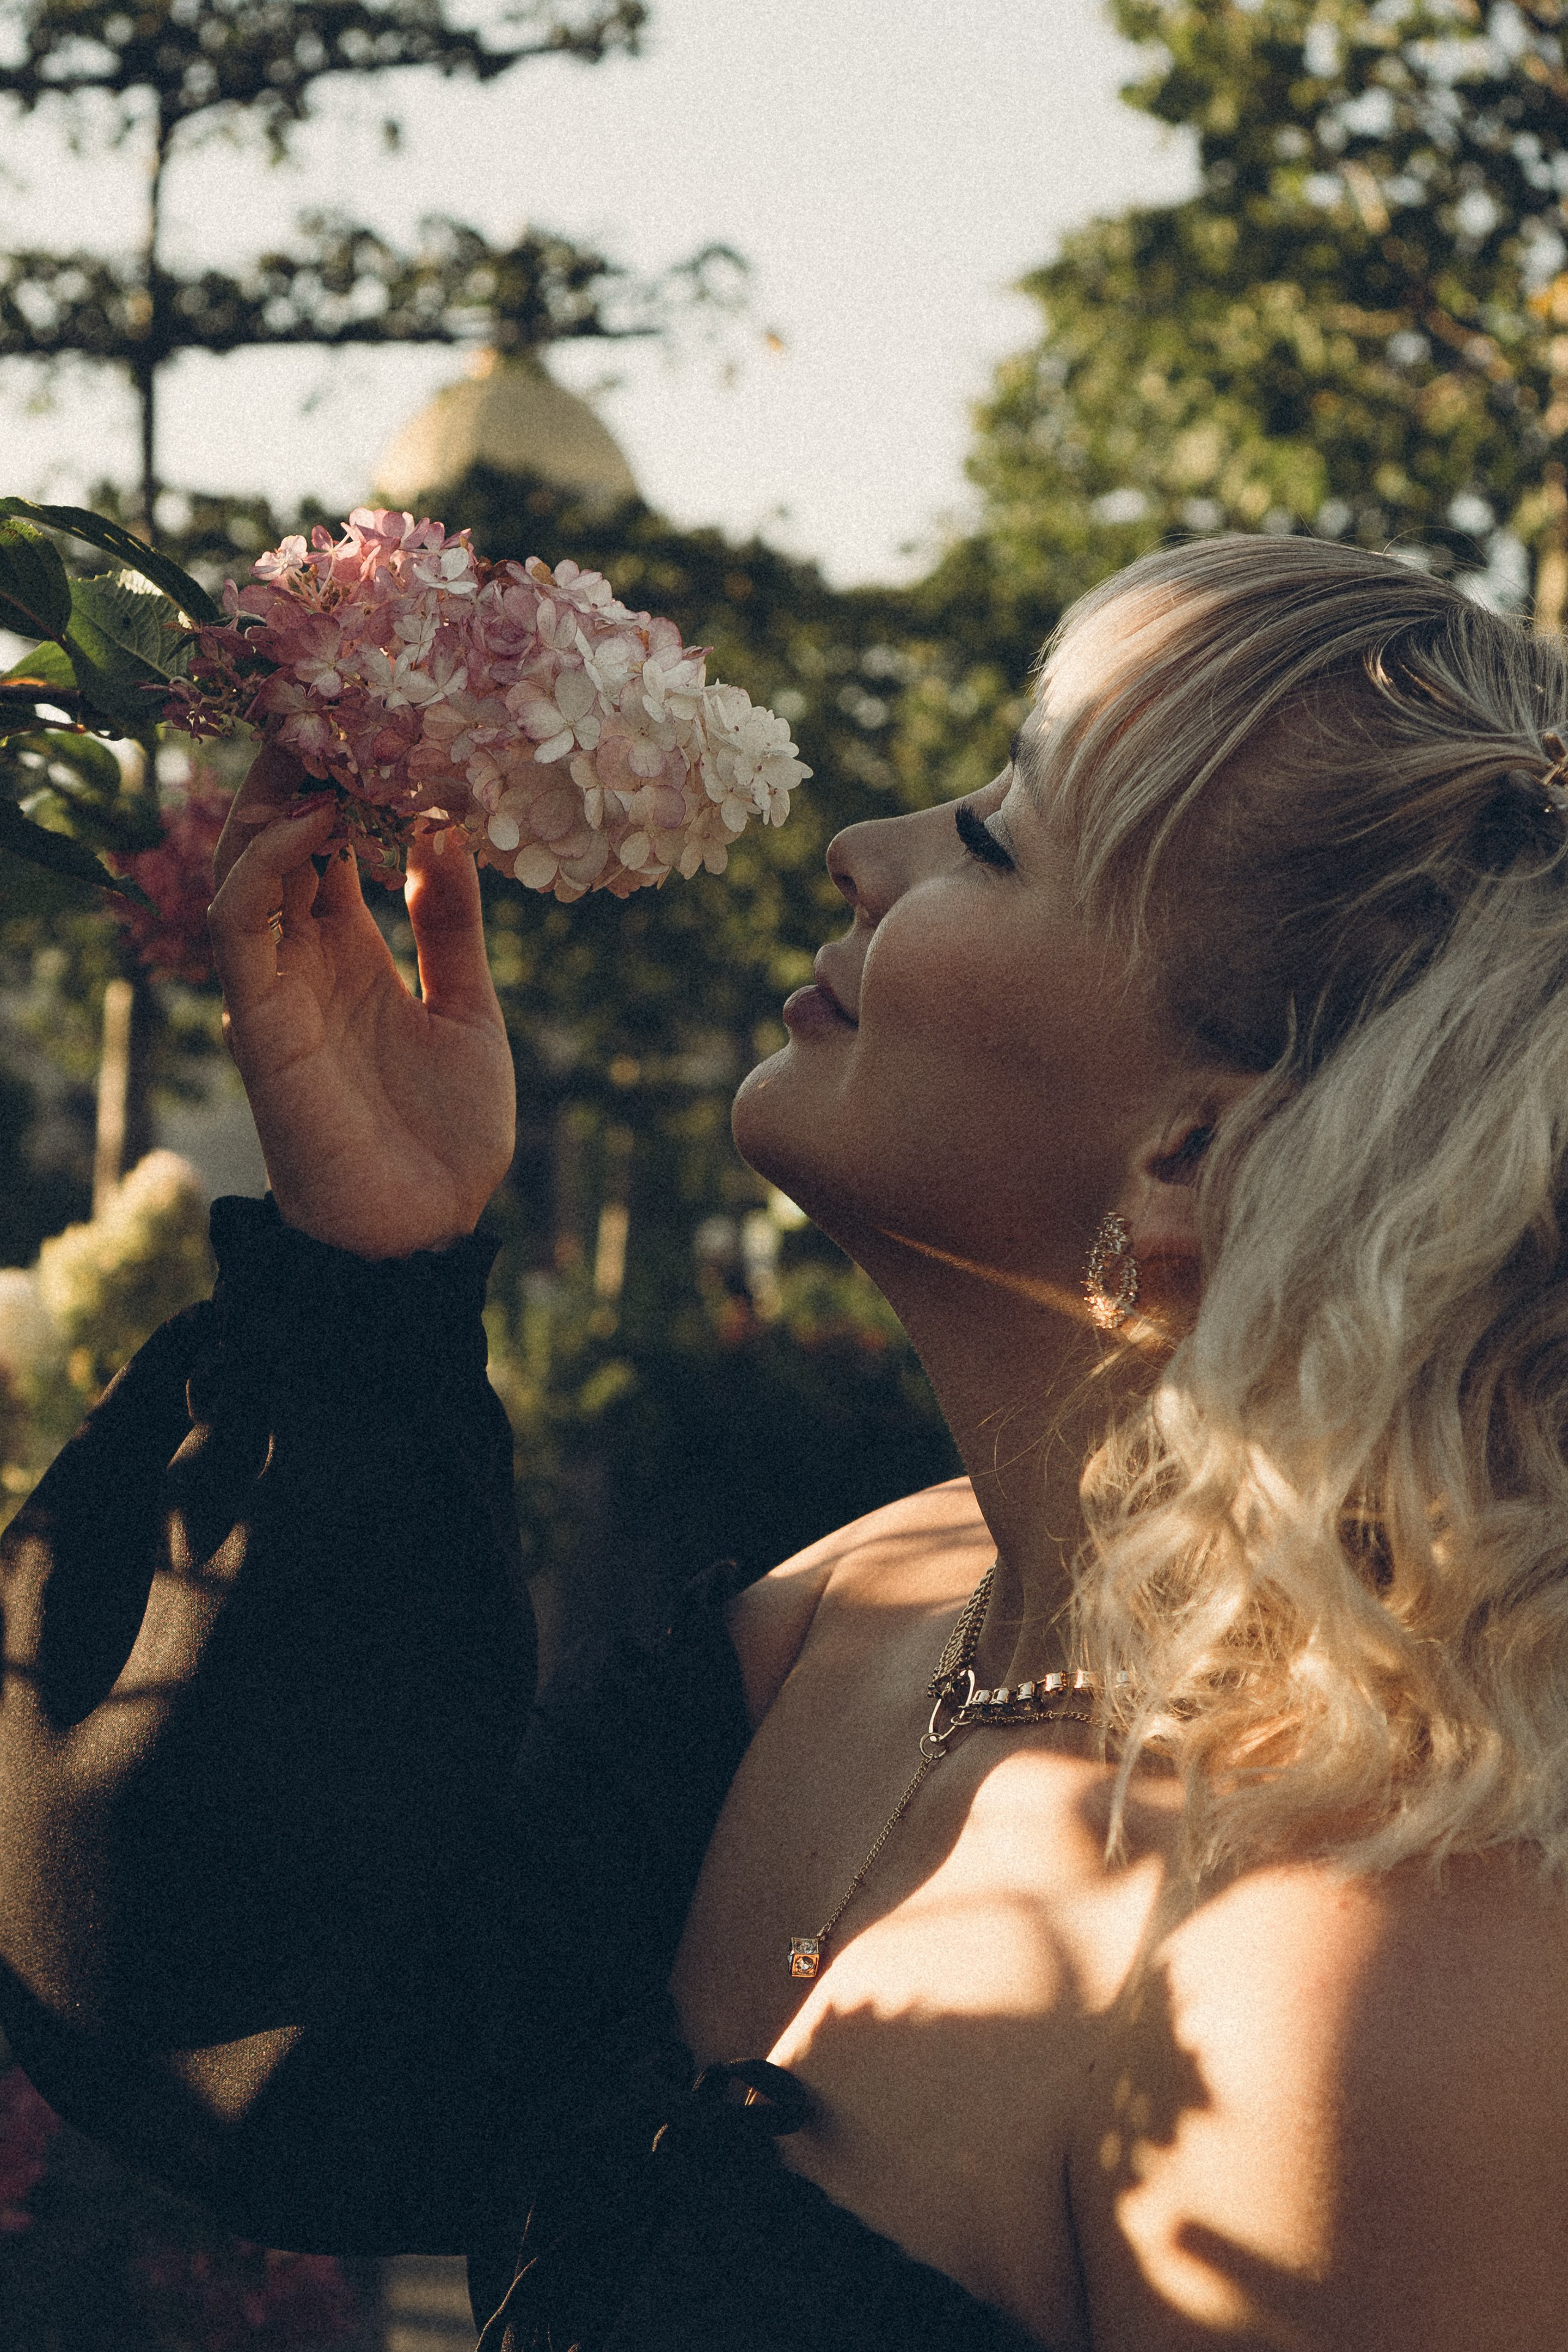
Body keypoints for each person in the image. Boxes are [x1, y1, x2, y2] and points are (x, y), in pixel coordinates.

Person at [2, 532, 1568, 2352]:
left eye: (995, 835)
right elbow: (265, 2040)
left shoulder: (1369, 1974)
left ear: (1194, 1155)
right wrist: (372, 1275)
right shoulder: (877, 1609)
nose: (866, 844)